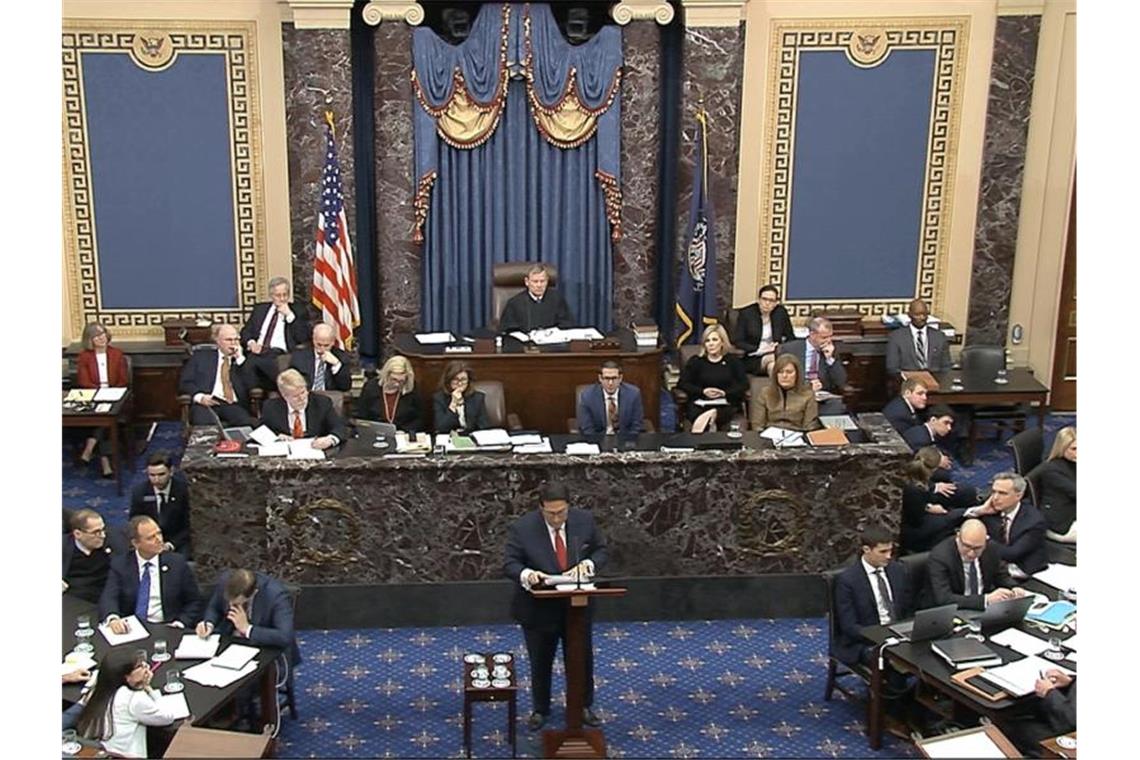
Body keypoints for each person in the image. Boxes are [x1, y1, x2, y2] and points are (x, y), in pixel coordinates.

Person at [503, 482, 608, 731]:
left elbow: (601, 550)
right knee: (540, 660)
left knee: (581, 658)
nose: (557, 518)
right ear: (541, 509)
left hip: (577, 606)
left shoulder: (584, 521)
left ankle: (583, 705)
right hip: (539, 608)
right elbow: (510, 563)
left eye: (561, 512)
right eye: (551, 513)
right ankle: (541, 709)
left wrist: (589, 565)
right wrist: (528, 575)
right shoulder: (523, 528)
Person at [99, 516, 201, 631]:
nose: (159, 540)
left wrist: (180, 623)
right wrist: (113, 618)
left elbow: (193, 601)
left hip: (167, 626)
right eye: (151, 538)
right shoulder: (121, 564)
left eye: (159, 533)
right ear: (136, 543)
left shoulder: (177, 563)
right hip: (132, 628)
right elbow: (109, 596)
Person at [75, 648, 181, 758]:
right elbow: (167, 717)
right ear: (127, 677)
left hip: (100, 751)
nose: (147, 667)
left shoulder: (98, 688)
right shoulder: (134, 699)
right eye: (140, 666)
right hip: (125, 755)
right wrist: (148, 688)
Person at [834, 525, 913, 668]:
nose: (889, 556)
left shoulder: (898, 570)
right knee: (895, 672)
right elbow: (849, 627)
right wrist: (880, 636)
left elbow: (907, 606)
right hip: (865, 641)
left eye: (890, 550)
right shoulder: (848, 580)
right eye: (883, 551)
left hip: (898, 634)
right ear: (866, 550)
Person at [196, 568, 301, 666]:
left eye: (236, 603)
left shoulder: (276, 596)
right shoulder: (225, 581)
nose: (231, 605)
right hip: (230, 639)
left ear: (253, 593)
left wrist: (247, 629)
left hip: (263, 646)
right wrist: (209, 624)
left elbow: (284, 636)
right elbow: (214, 607)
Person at [925, 519, 1025, 611]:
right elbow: (944, 598)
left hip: (985, 609)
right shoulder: (940, 557)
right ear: (958, 537)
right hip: (955, 611)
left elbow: (1000, 575)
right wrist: (986, 599)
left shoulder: (991, 548)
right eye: (967, 546)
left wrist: (1014, 587)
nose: (971, 553)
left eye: (977, 548)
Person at [75, 321, 130, 477]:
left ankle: (89, 450)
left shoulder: (116, 354)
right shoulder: (85, 357)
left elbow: (123, 380)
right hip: (94, 396)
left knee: (106, 418)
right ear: (89, 340)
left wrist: (111, 392)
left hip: (115, 396)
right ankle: (105, 463)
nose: (101, 338)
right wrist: (98, 393)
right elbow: (83, 381)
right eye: (96, 336)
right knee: (104, 421)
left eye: (102, 334)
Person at [967, 472, 1048, 577]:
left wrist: (982, 538)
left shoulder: (1034, 521)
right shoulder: (989, 510)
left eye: (1002, 493)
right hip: (995, 563)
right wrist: (980, 511)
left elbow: (1012, 554)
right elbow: (960, 525)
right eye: (994, 492)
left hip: (1021, 569)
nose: (995, 498)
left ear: (1019, 495)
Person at [240, 276, 311, 390]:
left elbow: (302, 337)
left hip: (279, 354)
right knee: (246, 364)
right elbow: (246, 332)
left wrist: (289, 316)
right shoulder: (260, 309)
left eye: (285, 295)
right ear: (271, 295)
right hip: (258, 352)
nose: (282, 299)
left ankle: (254, 399)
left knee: (249, 364)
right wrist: (251, 343)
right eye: (278, 295)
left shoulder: (298, 310)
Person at [178, 323, 256, 426]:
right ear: (217, 341)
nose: (233, 344)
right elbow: (185, 382)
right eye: (228, 340)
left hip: (233, 405)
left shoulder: (243, 361)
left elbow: (253, 384)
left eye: (236, 340)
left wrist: (240, 360)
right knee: (205, 424)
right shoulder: (200, 357)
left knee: (245, 423)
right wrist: (200, 397)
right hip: (206, 404)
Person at [677, 324, 749, 433]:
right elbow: (682, 383)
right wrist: (703, 391)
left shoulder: (733, 361)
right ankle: (711, 418)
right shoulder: (696, 361)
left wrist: (724, 393)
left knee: (723, 412)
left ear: (722, 342)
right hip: (700, 403)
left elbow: (743, 384)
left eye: (714, 340)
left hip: (725, 404)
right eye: (707, 341)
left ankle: (710, 417)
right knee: (696, 412)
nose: (711, 344)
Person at [899, 448, 970, 554]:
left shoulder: (912, 476)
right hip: (912, 527)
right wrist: (929, 508)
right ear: (934, 469)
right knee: (950, 518)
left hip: (916, 511)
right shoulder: (915, 490)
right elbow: (916, 518)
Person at [257, 369, 346, 449]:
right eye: (296, 396)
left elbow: (339, 427)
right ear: (284, 396)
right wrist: (276, 437)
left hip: (316, 454)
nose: (302, 398)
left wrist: (330, 440)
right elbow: (261, 430)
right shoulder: (271, 407)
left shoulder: (322, 403)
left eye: (303, 392)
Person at [997, 668, 1076, 755]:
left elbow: (1071, 721)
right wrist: (1070, 682)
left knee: (1009, 723)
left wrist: (1049, 692)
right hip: (1062, 709)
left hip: (1067, 732)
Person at [778, 317, 847, 414]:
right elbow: (783, 378)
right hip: (797, 393)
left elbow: (841, 381)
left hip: (822, 397)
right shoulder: (790, 349)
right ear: (812, 335)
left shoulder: (831, 350)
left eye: (830, 336)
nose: (828, 341)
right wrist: (808, 386)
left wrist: (830, 359)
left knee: (836, 405)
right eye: (824, 337)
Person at [129, 452, 192, 557]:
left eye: (161, 474)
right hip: (149, 539)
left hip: (177, 540)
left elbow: (189, 524)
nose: (156, 480)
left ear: (171, 472)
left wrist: (171, 544)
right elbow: (135, 521)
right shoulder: (140, 492)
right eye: (152, 475)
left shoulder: (184, 491)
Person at [63, 508, 126, 603]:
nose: (103, 535)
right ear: (77, 534)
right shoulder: (63, 546)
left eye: (103, 529)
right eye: (96, 532)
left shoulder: (114, 540)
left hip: (105, 593)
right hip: (74, 595)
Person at [731, 284, 795, 375]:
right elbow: (737, 341)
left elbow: (790, 337)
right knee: (779, 362)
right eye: (764, 299)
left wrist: (779, 347)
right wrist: (760, 349)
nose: (767, 303)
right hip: (753, 357)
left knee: (773, 366)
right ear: (759, 300)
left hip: (775, 354)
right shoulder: (746, 314)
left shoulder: (781, 313)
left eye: (771, 300)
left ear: (776, 303)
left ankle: (776, 389)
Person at [356, 355, 424, 432]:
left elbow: (419, 418)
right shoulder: (371, 388)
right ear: (386, 375)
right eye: (394, 379)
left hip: (403, 434)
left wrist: (406, 431)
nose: (397, 384)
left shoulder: (411, 388)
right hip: (375, 433)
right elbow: (362, 416)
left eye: (401, 381)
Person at [498, 264, 575, 333]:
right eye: (535, 281)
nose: (539, 285)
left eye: (542, 281)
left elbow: (567, 324)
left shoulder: (557, 299)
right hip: (524, 346)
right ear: (527, 282)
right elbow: (507, 330)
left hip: (552, 345)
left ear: (547, 281)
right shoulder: (514, 303)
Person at [753, 353, 820, 432]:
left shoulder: (808, 395)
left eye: (789, 372)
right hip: (768, 436)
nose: (784, 376)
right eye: (780, 372)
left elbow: (809, 426)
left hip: (797, 436)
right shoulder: (765, 393)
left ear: (797, 374)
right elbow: (757, 424)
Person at [577, 360, 644, 436]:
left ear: (620, 378)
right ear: (600, 378)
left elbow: (636, 425)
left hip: (625, 441)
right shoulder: (587, 396)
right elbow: (587, 429)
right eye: (607, 378)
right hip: (598, 440)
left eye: (614, 378)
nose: (610, 383)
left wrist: (627, 443)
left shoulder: (633, 394)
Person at [886, 298, 951, 375]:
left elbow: (946, 366)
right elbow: (892, 367)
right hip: (908, 382)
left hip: (935, 381)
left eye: (925, 314)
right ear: (909, 315)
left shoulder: (939, 337)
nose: (922, 318)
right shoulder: (896, 337)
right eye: (917, 314)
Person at [1038, 426, 1076, 542]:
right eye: (1073, 449)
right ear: (1062, 448)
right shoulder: (1052, 470)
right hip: (1061, 525)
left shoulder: (1073, 462)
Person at [289, 322, 351, 392]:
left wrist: (336, 364)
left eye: (326, 345)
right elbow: (291, 382)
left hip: (329, 397)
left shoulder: (341, 357)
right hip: (307, 396)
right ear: (313, 340)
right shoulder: (299, 356)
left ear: (333, 342)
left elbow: (345, 387)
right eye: (319, 344)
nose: (322, 349)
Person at [433, 361, 492, 433]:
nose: (460, 383)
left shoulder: (477, 398)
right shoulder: (439, 398)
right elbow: (441, 428)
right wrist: (453, 403)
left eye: (463, 379)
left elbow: (484, 427)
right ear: (448, 380)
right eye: (456, 379)